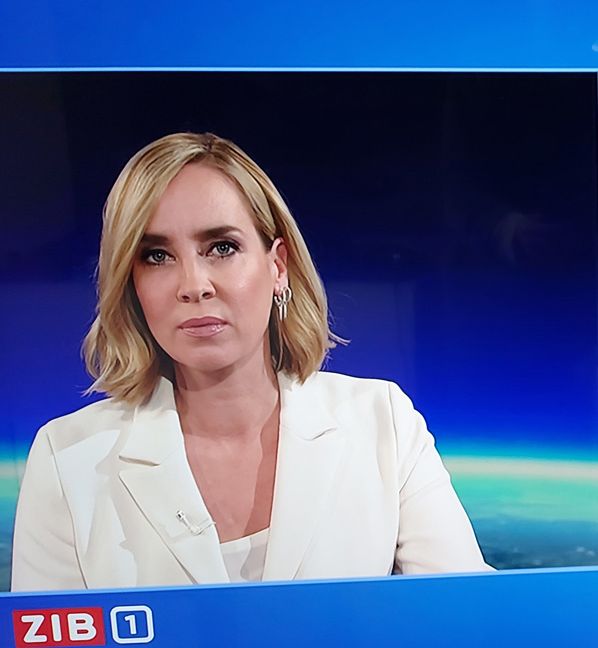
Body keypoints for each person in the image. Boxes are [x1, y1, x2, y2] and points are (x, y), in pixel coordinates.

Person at [11, 132, 491, 591]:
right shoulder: (67, 458)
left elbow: (473, 617)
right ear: (131, 284)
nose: (193, 285)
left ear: (277, 265)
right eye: (157, 256)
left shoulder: (382, 422)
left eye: (222, 248)